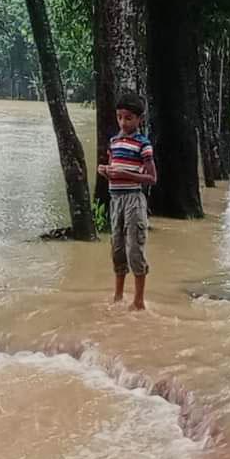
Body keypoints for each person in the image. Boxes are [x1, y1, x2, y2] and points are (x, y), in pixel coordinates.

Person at [97, 93, 157, 310]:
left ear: (140, 119)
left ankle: (139, 300)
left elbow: (152, 178)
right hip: (116, 200)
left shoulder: (144, 144)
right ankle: (118, 296)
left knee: (135, 250)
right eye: (120, 117)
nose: (123, 122)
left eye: (129, 118)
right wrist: (105, 172)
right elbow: (114, 169)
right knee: (117, 249)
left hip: (134, 200)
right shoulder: (113, 142)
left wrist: (126, 174)